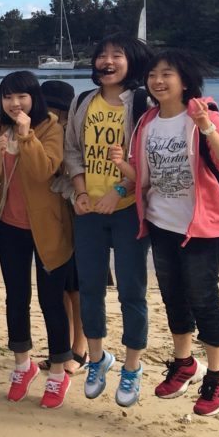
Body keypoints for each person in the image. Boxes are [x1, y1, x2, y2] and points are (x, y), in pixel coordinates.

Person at [113, 50, 219, 416]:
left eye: (167, 74)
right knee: (173, 297)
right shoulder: (148, 121)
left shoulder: (203, 113)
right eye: (153, 74)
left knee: (204, 298)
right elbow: (145, 179)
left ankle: (218, 375)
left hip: (202, 227)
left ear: (184, 80)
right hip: (161, 222)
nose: (158, 81)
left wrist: (207, 128)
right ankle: (183, 363)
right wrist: (124, 166)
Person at [63, 34, 153, 407]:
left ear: (132, 61)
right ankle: (98, 359)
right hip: (87, 212)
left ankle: (132, 367)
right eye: (102, 55)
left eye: (117, 55)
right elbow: (72, 152)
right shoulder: (84, 101)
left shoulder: (144, 103)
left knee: (132, 291)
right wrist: (81, 194)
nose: (108, 61)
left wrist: (118, 192)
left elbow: (150, 158)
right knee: (91, 288)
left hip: (129, 209)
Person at [0, 71, 76, 409]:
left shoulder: (51, 127)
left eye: (22, 96)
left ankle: (57, 372)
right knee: (16, 297)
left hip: (49, 227)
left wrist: (26, 136)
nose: (15, 103)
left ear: (33, 98)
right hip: (11, 225)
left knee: (51, 300)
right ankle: (22, 366)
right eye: (8, 96)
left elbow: (44, 170)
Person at [40, 79, 88, 375]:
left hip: (80, 217)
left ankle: (80, 348)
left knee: (78, 287)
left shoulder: (76, 134)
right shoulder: (41, 131)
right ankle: (64, 347)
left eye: (59, 110)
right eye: (49, 109)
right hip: (51, 220)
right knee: (58, 288)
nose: (54, 116)